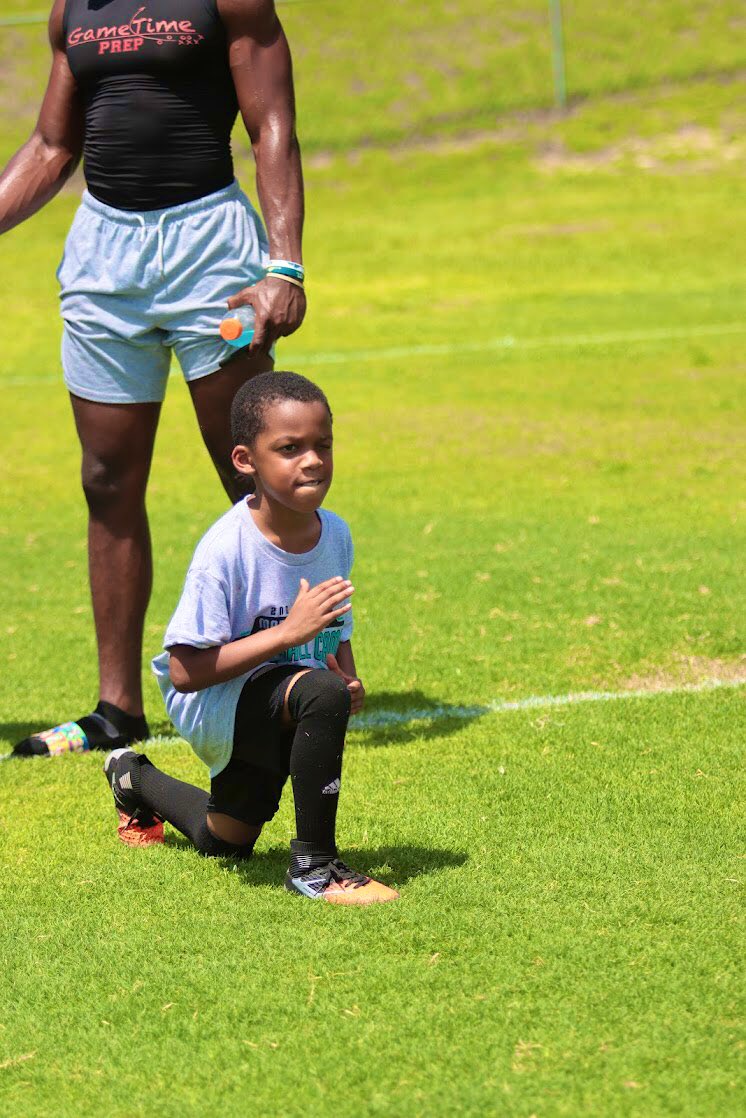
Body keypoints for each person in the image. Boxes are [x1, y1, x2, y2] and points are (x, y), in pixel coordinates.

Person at [0, 0, 306, 756]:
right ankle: (117, 710)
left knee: (250, 471)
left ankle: (303, 670)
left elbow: (271, 126)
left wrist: (284, 263)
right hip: (105, 256)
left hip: (212, 252)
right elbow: (49, 144)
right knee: (106, 478)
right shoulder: (71, 10)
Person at [103, 372, 399, 904]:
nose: (311, 460)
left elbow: (333, 627)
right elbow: (184, 672)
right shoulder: (225, 549)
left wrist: (347, 680)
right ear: (245, 460)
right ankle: (315, 867)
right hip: (213, 698)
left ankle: (133, 778)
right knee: (316, 692)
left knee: (227, 839)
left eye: (322, 445)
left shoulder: (335, 533)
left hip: (274, 696)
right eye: (289, 448)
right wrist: (290, 635)